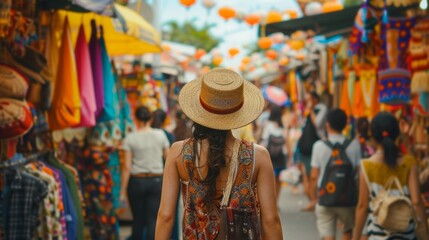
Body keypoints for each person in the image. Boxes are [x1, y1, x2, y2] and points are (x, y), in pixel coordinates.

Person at [155, 68, 283, 239]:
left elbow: (165, 216)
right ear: (237, 112)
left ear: (199, 110)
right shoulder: (258, 155)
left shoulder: (179, 153)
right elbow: (271, 221)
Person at [353, 112, 429, 240]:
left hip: (377, 236)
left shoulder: (366, 166)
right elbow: (416, 202)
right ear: (396, 134)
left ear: (373, 135)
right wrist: (426, 234)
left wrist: (355, 238)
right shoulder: (409, 163)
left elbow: (362, 206)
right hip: (406, 235)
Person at [310, 109, 362, 240]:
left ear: (327, 124)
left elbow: (314, 176)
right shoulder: (355, 145)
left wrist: (314, 197)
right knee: (347, 230)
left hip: (325, 197)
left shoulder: (318, 146)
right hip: (348, 198)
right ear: (345, 125)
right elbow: (358, 173)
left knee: (328, 234)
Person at [120, 106, 170, 240]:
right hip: (156, 181)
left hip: (137, 182)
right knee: (152, 220)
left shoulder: (130, 138)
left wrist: (122, 191)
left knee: (138, 220)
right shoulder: (160, 135)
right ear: (151, 118)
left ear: (135, 118)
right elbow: (168, 159)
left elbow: (127, 166)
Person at [297, 92, 327, 211]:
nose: (307, 101)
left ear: (315, 99)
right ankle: (313, 200)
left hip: (316, 145)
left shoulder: (321, 109)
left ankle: (315, 200)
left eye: (309, 99)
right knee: (306, 175)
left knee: (314, 174)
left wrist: (311, 110)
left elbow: (317, 124)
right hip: (305, 147)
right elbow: (302, 125)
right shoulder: (308, 110)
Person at [260, 105, 290, 200]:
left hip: (270, 155)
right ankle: (276, 201)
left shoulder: (267, 124)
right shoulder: (283, 126)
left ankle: (271, 201)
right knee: (278, 180)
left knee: (270, 180)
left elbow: (264, 140)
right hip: (281, 156)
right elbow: (286, 141)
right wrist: (290, 155)